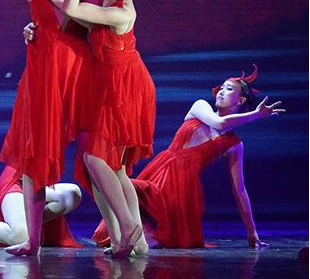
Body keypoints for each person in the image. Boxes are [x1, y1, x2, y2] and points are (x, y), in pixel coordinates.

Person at [0, 0, 94, 257]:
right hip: (41, 67)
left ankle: (125, 232)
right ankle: (33, 240)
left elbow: (92, 23)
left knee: (93, 150)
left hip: (76, 67)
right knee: (35, 152)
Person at [93, 66, 283, 249]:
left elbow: (239, 190)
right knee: (119, 187)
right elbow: (220, 123)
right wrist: (256, 115)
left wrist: (252, 232)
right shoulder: (200, 107)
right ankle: (140, 234)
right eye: (222, 87)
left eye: (229, 89)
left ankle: (146, 236)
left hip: (183, 190)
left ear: (240, 100)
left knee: (141, 205)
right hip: (159, 174)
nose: (221, 91)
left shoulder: (234, 145)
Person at [61, 0, 172, 258]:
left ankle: (128, 226)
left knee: (94, 158)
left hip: (124, 88)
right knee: (117, 168)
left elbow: (71, 8)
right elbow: (79, 17)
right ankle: (138, 241)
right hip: (109, 83)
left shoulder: (123, 11)